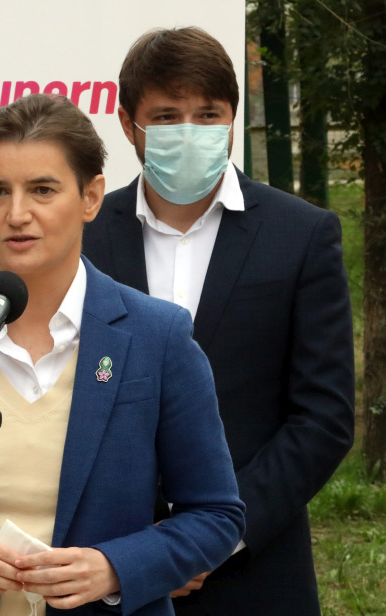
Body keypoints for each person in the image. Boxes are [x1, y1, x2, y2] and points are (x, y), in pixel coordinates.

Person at [0, 93, 245, 616]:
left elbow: (216, 515)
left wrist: (113, 568)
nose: (16, 214)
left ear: (90, 197)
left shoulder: (158, 335)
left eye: (42, 189)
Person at [82, 27, 355, 616]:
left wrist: (210, 540)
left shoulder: (301, 235)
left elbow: (324, 418)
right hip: (107, 573)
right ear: (128, 124)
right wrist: (139, 553)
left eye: (208, 115)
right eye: (167, 116)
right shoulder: (84, 238)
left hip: (256, 573)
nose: (190, 132)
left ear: (233, 117)